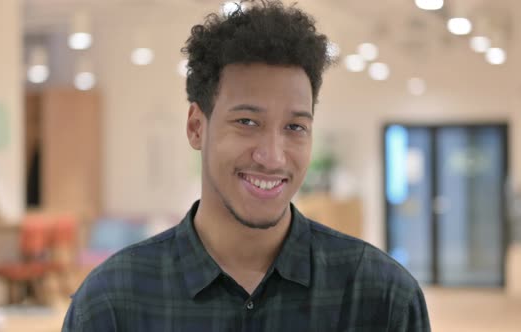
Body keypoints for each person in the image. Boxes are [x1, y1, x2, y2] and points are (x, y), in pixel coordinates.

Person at [62, 1, 431, 331]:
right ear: (196, 127)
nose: (272, 156)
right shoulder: (111, 305)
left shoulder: (383, 300)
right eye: (247, 122)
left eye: (295, 127)